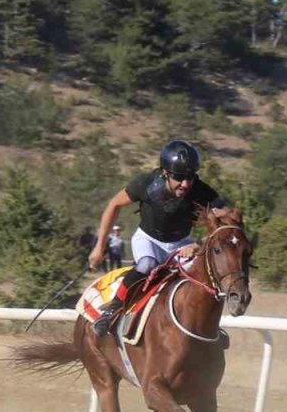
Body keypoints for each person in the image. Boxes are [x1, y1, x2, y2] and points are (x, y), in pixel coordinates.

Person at [88, 140, 226, 337]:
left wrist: (198, 244)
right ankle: (111, 311)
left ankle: (208, 327)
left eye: (190, 177)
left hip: (182, 243)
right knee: (146, 265)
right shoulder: (145, 183)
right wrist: (99, 247)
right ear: (165, 172)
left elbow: (226, 222)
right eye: (179, 177)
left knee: (204, 275)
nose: (186, 184)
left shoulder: (202, 191)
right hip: (149, 240)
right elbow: (114, 205)